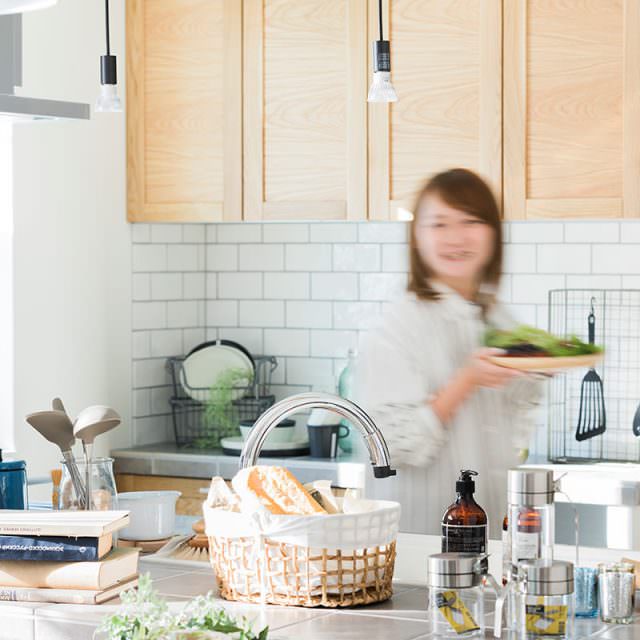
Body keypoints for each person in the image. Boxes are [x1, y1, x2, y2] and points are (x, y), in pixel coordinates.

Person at [355, 168, 543, 537]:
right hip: (420, 540)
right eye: (439, 224)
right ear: (416, 238)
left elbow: (516, 421)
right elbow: (389, 449)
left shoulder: (499, 318)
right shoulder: (397, 325)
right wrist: (465, 381)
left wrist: (533, 375)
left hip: (492, 536)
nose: (456, 237)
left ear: (493, 234)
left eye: (471, 221)